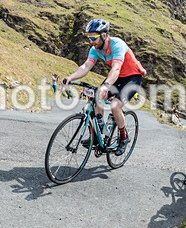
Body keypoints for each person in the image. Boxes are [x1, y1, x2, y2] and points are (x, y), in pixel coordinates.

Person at [62, 18, 146, 155]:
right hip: (117, 77)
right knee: (96, 99)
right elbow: (85, 66)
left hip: (132, 77)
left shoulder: (117, 44)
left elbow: (116, 68)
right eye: (89, 37)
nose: (91, 41)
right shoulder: (95, 49)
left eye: (94, 37)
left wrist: (106, 85)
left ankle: (124, 138)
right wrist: (70, 77)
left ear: (104, 35)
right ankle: (97, 137)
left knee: (115, 106)